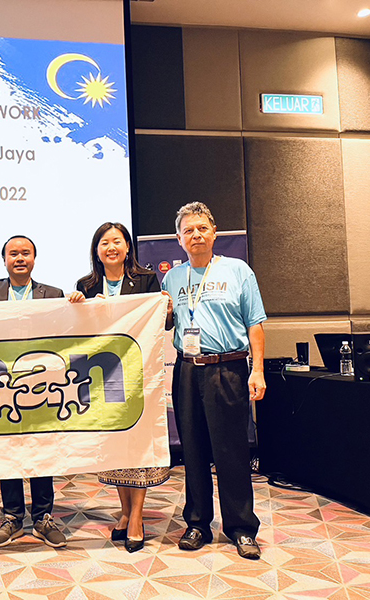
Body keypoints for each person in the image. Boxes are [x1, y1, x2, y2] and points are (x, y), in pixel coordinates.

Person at [161, 202, 266, 560]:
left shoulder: (238, 271)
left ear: (214, 232)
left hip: (229, 369)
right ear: (179, 239)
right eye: (188, 230)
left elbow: (255, 323)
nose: (196, 235)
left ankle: (241, 528)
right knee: (192, 450)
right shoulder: (172, 279)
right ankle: (197, 523)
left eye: (202, 228)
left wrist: (259, 369)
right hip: (187, 369)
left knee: (232, 451)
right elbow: (165, 323)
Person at [68, 222, 170, 553]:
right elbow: (77, 332)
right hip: (102, 377)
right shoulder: (86, 284)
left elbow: (162, 323)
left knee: (137, 443)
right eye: (104, 242)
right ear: (96, 250)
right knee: (115, 445)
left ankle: (137, 517)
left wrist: (166, 307)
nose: (111, 247)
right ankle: (124, 512)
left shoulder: (145, 280)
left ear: (127, 247)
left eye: (117, 241)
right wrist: (78, 306)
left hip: (138, 374)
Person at [0, 235, 68, 549]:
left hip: (41, 382)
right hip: (4, 384)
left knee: (42, 448)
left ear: (34, 259)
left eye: (25, 253)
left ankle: (43, 516)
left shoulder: (53, 294)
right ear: (4, 260)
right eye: (13, 253)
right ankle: (12, 516)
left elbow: (69, 332)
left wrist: (77, 307)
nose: (19, 258)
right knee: (8, 449)